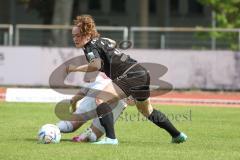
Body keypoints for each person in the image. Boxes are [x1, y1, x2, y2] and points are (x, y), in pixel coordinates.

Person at [67, 15, 187, 145]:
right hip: (141, 72)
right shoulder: (102, 41)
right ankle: (177, 135)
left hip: (129, 75)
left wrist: (75, 69)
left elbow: (96, 65)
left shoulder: (90, 46)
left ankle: (111, 139)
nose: (75, 39)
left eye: (78, 35)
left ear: (87, 34)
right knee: (147, 110)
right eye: (73, 36)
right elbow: (112, 42)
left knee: (100, 99)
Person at [56, 72, 127, 142]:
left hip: (98, 91)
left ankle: (53, 129)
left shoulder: (97, 75)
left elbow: (75, 98)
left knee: (70, 124)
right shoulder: (128, 78)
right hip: (118, 101)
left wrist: (74, 110)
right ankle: (83, 137)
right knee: (92, 135)